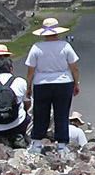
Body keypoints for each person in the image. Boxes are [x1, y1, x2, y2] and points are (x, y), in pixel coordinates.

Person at [25, 18, 80, 152]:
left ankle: (37, 142)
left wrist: (29, 87)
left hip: (42, 83)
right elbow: (74, 67)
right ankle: (61, 144)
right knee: (61, 113)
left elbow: (30, 71)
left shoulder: (36, 47)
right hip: (63, 82)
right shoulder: (65, 46)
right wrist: (76, 83)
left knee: (40, 113)